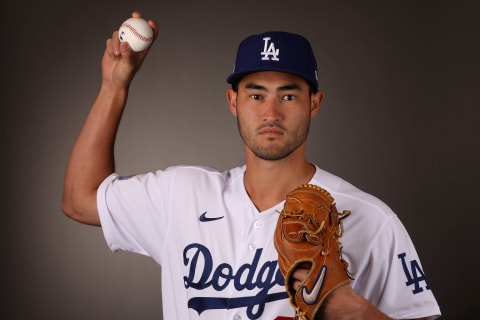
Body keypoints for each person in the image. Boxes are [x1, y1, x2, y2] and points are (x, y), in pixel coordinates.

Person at [62, 11, 441, 320]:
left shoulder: (369, 218)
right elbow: (80, 199)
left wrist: (354, 312)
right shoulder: (181, 195)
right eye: (255, 94)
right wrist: (114, 88)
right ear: (233, 101)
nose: (270, 112)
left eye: (288, 95)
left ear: (315, 103)